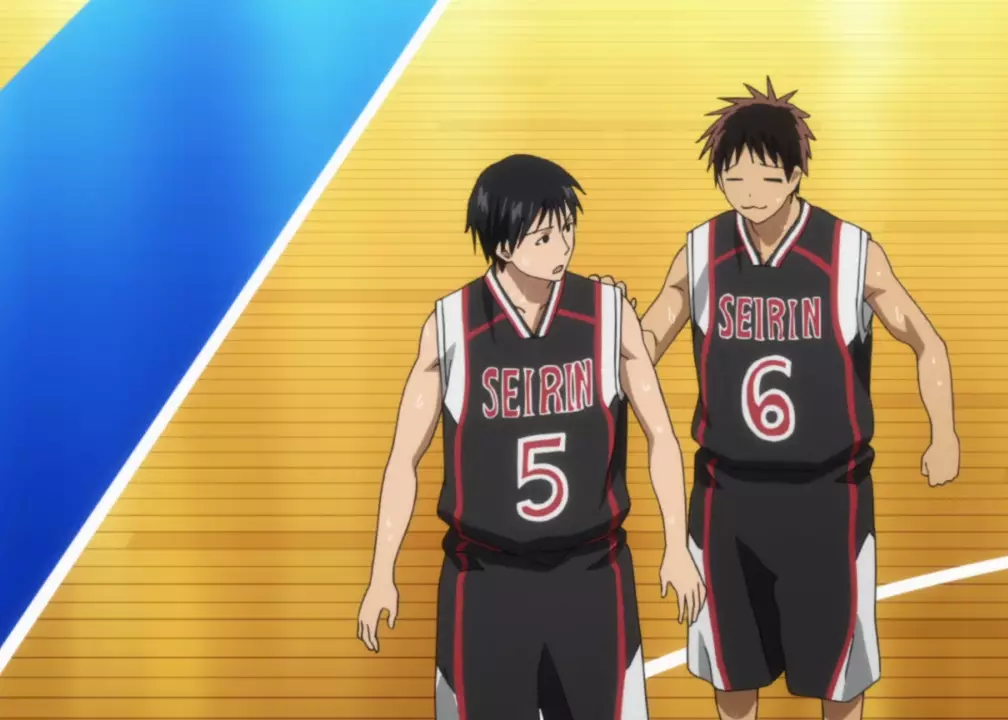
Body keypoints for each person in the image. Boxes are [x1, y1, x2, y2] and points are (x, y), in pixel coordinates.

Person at [599, 79, 961, 720]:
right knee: (733, 673)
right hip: (727, 498)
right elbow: (648, 343)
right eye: (734, 179)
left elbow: (925, 340)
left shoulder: (850, 252)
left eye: (765, 178)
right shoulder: (701, 252)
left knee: (838, 678)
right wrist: (617, 329)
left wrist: (945, 431)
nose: (749, 193)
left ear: (795, 176)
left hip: (829, 497)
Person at [356, 154, 705, 720]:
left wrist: (675, 546)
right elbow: (403, 461)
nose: (562, 248)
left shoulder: (609, 314)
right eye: (543, 238)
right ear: (502, 245)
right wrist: (380, 575)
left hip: (592, 574)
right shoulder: (451, 326)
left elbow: (661, 435)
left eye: (567, 229)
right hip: (485, 579)